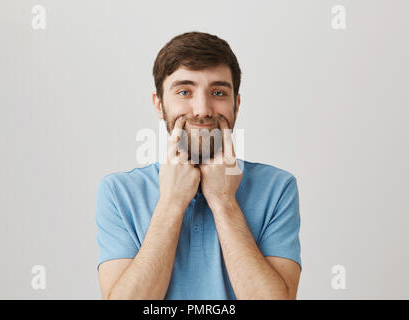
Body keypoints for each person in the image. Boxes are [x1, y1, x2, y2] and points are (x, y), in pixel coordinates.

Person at [95, 31, 301, 300]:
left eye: (218, 92)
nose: (202, 109)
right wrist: (171, 202)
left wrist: (224, 201)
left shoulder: (277, 187)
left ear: (236, 104)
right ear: (159, 104)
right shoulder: (118, 192)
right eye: (184, 91)